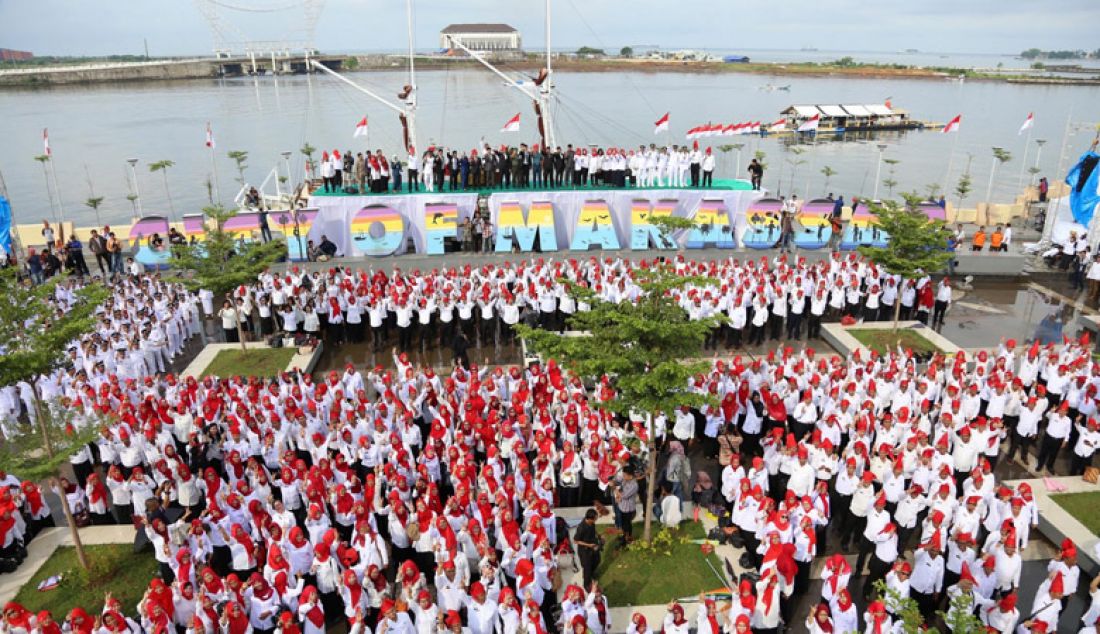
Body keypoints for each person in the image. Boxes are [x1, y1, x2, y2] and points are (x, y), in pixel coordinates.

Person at [573, 509, 602, 588]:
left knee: (597, 560)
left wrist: (598, 535)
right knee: (587, 568)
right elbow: (575, 541)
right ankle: (586, 585)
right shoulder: (581, 528)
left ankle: (591, 573)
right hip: (584, 550)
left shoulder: (592, 523)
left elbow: (594, 529)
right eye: (595, 518)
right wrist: (588, 545)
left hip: (593, 545)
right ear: (589, 519)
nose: (596, 520)